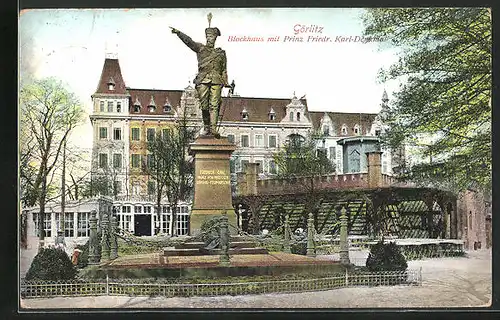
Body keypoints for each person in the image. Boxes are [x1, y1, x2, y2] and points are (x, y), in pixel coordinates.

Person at [170, 25, 229, 138]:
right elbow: (189, 42)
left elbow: (224, 70)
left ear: (215, 39)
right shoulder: (201, 48)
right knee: (204, 105)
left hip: (216, 81)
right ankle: (207, 126)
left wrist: (226, 82)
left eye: (212, 37)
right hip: (203, 80)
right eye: (208, 36)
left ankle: (213, 128)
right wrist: (179, 33)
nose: (210, 39)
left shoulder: (221, 53)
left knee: (214, 105)